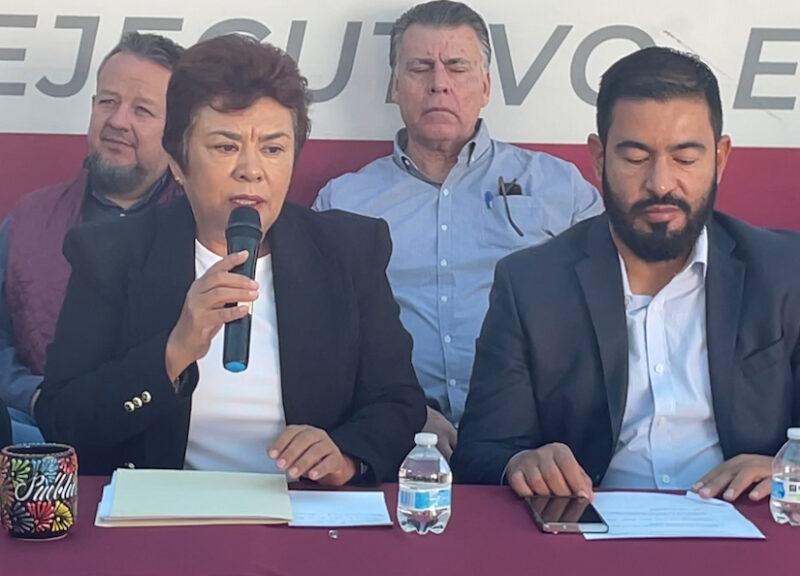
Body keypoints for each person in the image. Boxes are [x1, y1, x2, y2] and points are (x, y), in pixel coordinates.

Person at [35, 34, 427, 484]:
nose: (251, 169)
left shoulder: (348, 250)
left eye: (273, 149)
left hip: (302, 509)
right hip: (162, 512)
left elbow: (398, 402)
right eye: (225, 146)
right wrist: (173, 352)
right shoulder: (111, 254)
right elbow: (61, 421)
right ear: (177, 163)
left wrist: (345, 457)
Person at [453, 46, 800, 503]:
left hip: (748, 525)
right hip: (589, 529)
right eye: (636, 158)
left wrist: (789, 468)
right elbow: (481, 452)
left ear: (720, 158)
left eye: (685, 158)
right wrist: (521, 463)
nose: (660, 183)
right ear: (599, 158)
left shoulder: (785, 272)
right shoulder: (531, 284)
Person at [313, 0, 602, 459]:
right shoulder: (343, 202)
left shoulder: (560, 188)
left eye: (456, 67)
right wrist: (403, 411)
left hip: (538, 443)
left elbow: (612, 316)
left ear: (485, 85)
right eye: (420, 67)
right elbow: (322, 337)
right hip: (396, 441)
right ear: (395, 86)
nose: (439, 83)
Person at [0, 32, 183, 443]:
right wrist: (34, 396)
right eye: (108, 102)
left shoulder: (202, 229)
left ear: (177, 132)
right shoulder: (29, 218)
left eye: (142, 110)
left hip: (164, 446)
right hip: (36, 438)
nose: (118, 121)